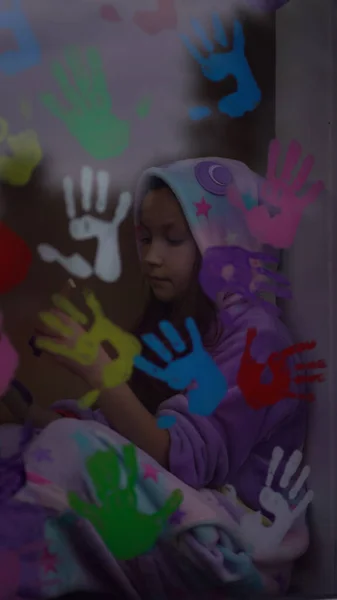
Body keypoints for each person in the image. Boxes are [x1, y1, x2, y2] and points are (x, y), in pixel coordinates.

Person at [0, 157, 310, 598]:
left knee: (70, 448)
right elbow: (124, 435)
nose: (150, 257)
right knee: (16, 444)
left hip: (236, 552)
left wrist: (100, 372)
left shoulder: (261, 341)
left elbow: (172, 456)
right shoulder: (186, 325)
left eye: (174, 238)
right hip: (189, 518)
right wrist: (21, 406)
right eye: (145, 238)